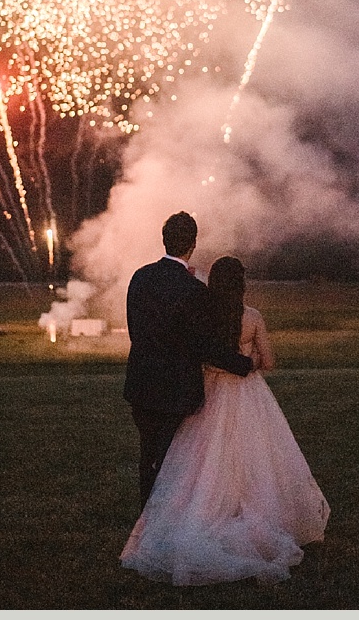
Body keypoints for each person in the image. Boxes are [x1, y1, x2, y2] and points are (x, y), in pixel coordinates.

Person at [121, 255, 331, 585]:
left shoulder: (206, 317)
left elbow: (200, 353)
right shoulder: (253, 317)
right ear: (242, 284)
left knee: (201, 459)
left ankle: (197, 514)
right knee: (254, 455)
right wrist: (250, 360)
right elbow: (270, 361)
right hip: (247, 394)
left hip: (210, 393)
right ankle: (247, 512)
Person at [123, 211, 254, 502]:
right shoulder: (195, 290)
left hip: (141, 384)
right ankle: (164, 522)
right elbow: (206, 346)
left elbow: (136, 329)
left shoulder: (140, 277)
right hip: (176, 390)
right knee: (173, 463)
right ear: (192, 244)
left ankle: (146, 517)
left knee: (149, 458)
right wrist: (244, 364)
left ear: (164, 240)